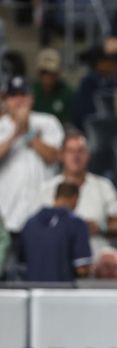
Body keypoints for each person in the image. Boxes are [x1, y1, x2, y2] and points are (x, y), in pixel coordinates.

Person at [39, 132, 117, 254]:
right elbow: (37, 228)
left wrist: (100, 228)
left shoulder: (104, 186)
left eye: (80, 151)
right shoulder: (47, 189)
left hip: (96, 260)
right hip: (58, 260)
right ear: (62, 155)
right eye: (70, 151)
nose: (76, 156)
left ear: (88, 155)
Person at [0, 75, 63, 235]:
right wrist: (15, 134)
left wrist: (28, 133)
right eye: (14, 95)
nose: (19, 100)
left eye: (23, 95)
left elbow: (53, 157)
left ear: (31, 98)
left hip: (42, 213)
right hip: (6, 214)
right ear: (5, 100)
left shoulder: (48, 122)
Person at [20, 182, 91, 282]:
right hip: (61, 293)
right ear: (75, 198)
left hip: (33, 292)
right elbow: (82, 269)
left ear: (55, 197)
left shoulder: (29, 223)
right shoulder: (76, 223)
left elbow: (22, 262)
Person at [32, 48, 73, 126]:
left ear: (58, 73)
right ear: (38, 73)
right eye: (44, 72)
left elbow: (68, 121)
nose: (47, 76)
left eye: (51, 72)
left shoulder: (67, 93)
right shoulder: (31, 91)